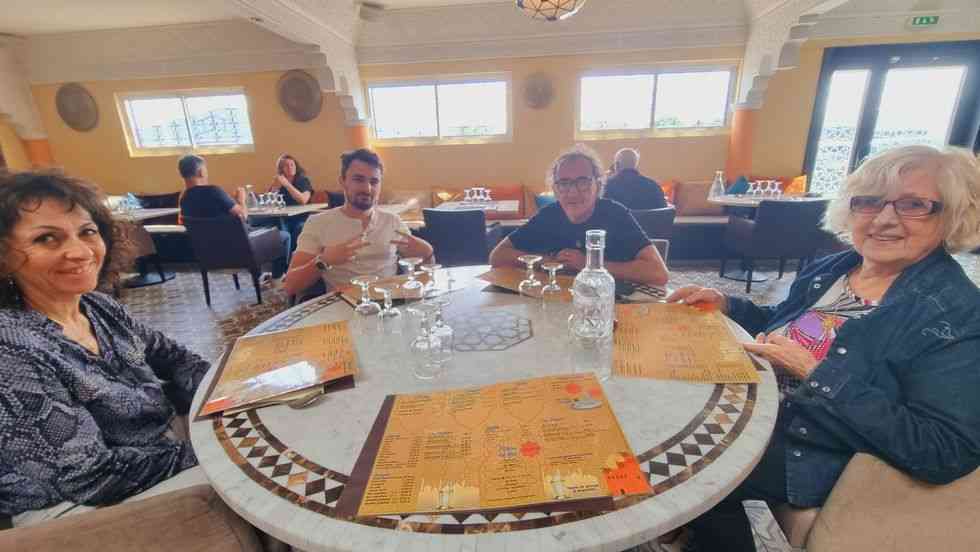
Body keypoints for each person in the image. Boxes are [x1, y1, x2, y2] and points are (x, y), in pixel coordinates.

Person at [668, 145, 980, 551]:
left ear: (952, 214)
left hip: (814, 449)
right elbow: (784, 322)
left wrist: (815, 373)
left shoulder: (956, 312)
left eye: (913, 205)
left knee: (687, 471)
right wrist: (727, 303)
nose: (884, 219)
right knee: (659, 403)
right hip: (760, 409)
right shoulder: (838, 266)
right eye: (869, 202)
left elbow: (944, 450)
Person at [0, 171, 211, 524]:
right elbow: (88, 476)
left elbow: (176, 358)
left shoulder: (98, 307)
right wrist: (214, 453)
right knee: (262, 493)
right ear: (4, 257)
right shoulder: (12, 348)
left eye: (87, 232)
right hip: (77, 509)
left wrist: (234, 395)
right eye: (47, 239)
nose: (80, 252)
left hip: (154, 454)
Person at [489, 145, 668, 286]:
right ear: (555, 190)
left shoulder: (615, 214)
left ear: (598, 186)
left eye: (583, 182)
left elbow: (658, 273)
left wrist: (590, 265)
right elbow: (497, 256)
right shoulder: (549, 215)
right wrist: (549, 262)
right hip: (557, 304)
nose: (573, 192)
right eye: (564, 183)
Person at [283, 148, 433, 295]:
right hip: (343, 305)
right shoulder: (318, 223)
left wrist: (428, 254)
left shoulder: (392, 221)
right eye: (358, 179)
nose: (367, 188)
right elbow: (290, 286)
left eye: (374, 181)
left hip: (390, 302)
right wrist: (324, 261)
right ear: (343, 181)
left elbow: (422, 276)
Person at [177, 154, 290, 280]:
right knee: (284, 236)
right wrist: (241, 200)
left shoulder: (184, 199)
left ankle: (259, 276)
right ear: (201, 172)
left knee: (260, 228)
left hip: (209, 254)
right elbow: (243, 215)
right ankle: (276, 278)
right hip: (240, 250)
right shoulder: (214, 191)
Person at [267, 153, 313, 251]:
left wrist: (287, 185)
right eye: (286, 165)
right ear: (281, 169)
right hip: (283, 217)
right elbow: (268, 202)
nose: (290, 167)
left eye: (292, 165)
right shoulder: (279, 181)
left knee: (297, 228)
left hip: (301, 218)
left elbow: (303, 200)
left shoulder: (303, 180)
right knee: (276, 228)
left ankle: (292, 255)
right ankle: (283, 257)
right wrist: (275, 187)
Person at [603, 148, 668, 210]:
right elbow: (664, 212)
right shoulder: (654, 186)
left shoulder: (607, 187)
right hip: (649, 219)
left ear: (617, 165)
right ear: (636, 165)